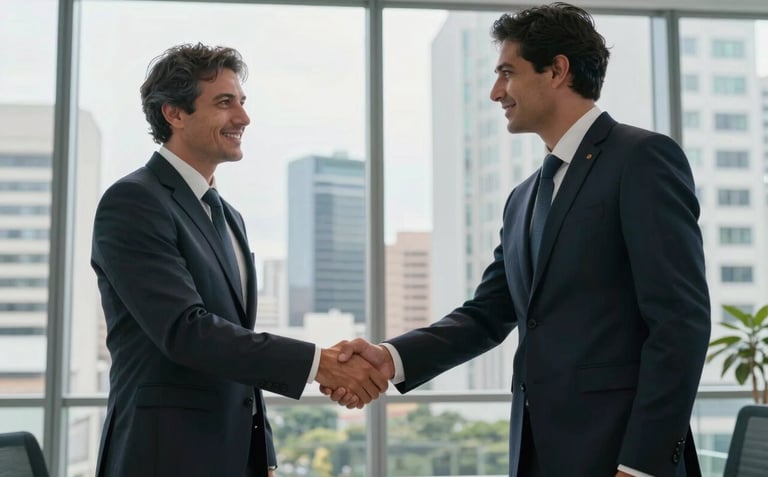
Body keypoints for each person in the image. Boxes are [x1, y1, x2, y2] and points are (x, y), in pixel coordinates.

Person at [326, 3, 711, 477]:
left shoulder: (643, 159)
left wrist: (641, 464)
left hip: (620, 455)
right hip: (536, 452)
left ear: (557, 70)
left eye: (507, 73)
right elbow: (487, 315)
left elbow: (680, 323)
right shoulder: (523, 197)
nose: (495, 92)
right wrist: (390, 358)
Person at [91, 43, 387, 477]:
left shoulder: (227, 215)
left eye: (242, 103)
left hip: (233, 456)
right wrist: (317, 363)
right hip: (162, 454)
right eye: (224, 103)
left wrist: (261, 452)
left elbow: (235, 341)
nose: (243, 118)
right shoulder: (134, 201)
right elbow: (185, 331)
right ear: (174, 113)